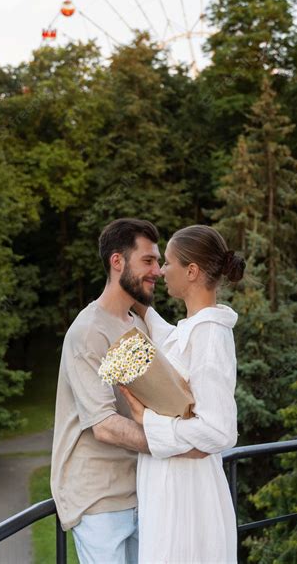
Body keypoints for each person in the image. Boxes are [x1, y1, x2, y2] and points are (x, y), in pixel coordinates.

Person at [50, 218, 206, 564]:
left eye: (157, 261)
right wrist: (180, 443)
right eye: (148, 261)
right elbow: (104, 424)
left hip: (141, 491)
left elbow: (153, 397)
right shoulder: (87, 332)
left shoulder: (135, 323)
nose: (158, 271)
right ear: (117, 262)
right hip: (98, 500)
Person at [120, 224, 245, 564]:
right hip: (173, 490)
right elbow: (171, 341)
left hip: (188, 500)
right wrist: (142, 306)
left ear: (191, 271)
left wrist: (151, 423)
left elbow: (220, 430)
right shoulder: (193, 329)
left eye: (169, 263)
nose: (160, 271)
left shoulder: (210, 337)